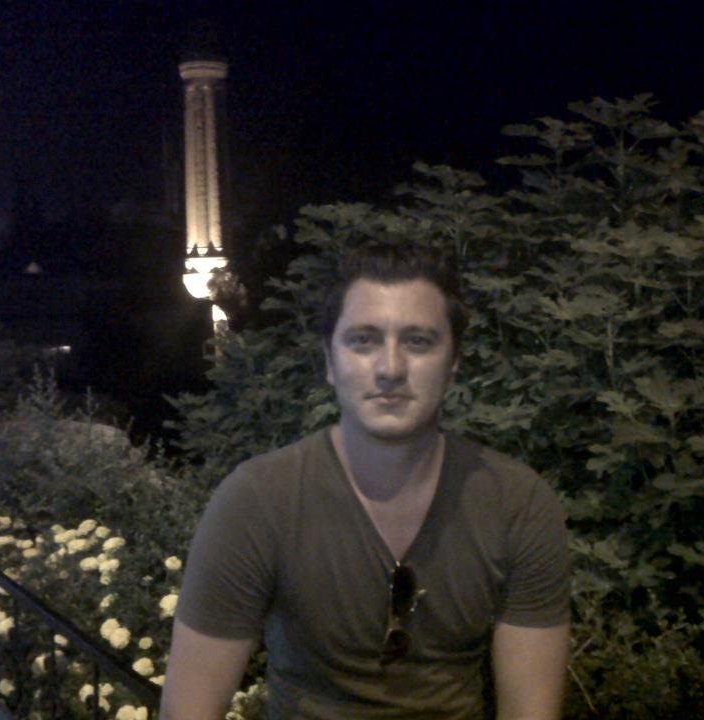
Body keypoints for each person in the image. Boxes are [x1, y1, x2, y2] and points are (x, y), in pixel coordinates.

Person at [160, 245, 571, 720]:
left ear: (453, 362)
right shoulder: (257, 502)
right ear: (329, 362)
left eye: (418, 341)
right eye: (363, 340)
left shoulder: (518, 504)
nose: (390, 368)